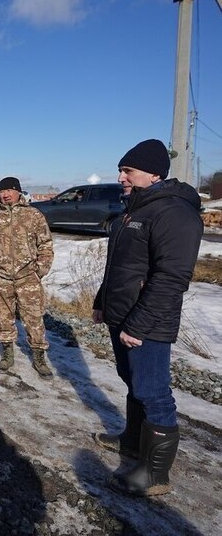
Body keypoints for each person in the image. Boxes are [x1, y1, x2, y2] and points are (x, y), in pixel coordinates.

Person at [92, 139, 203, 497]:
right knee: (132, 380)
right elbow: (119, 267)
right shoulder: (133, 210)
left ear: (154, 173)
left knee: (153, 392)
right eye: (121, 170)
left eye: (128, 170)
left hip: (148, 321)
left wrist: (138, 324)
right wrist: (101, 301)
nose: (121, 176)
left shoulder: (173, 212)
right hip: (122, 313)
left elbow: (172, 277)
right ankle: (132, 442)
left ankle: (155, 475)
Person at [0, 177, 54, 377]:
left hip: (28, 277)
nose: (5, 194)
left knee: (34, 318)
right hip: (0, 278)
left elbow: (45, 245)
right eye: (2, 191)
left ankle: (38, 357)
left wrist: (40, 271)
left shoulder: (33, 215)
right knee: (4, 318)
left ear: (18, 191)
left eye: (10, 190)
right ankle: (7, 354)